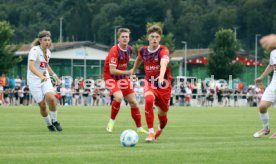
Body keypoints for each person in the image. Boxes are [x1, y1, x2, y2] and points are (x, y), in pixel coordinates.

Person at [131, 25, 172, 142]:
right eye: (152, 36)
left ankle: (159, 130)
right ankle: (150, 133)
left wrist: (160, 76)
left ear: (160, 38)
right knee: (148, 100)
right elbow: (138, 60)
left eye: (157, 37)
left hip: (164, 86)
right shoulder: (143, 50)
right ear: (148, 38)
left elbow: (164, 63)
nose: (154, 39)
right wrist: (132, 72)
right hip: (149, 82)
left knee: (163, 116)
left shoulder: (163, 50)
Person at [104, 28, 147, 134]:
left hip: (123, 78)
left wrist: (130, 74)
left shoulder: (130, 49)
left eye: (126, 37)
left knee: (134, 102)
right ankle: (111, 122)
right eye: (122, 37)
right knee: (118, 97)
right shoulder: (114, 51)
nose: (124, 38)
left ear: (129, 38)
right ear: (118, 38)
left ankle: (139, 128)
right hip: (110, 77)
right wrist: (129, 72)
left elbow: (126, 68)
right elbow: (112, 70)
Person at [27, 30, 62, 132]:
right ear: (40, 41)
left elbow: (45, 65)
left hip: (45, 78)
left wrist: (54, 75)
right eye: (45, 40)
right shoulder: (34, 50)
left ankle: (55, 121)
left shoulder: (48, 52)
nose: (47, 42)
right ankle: (49, 124)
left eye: (49, 40)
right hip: (34, 81)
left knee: (51, 98)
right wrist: (40, 76)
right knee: (42, 105)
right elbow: (31, 67)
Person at [253, 34, 276, 138]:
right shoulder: (273, 53)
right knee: (262, 107)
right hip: (273, 85)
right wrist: (261, 77)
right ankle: (266, 128)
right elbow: (271, 65)